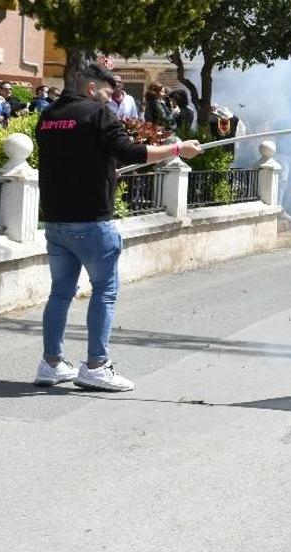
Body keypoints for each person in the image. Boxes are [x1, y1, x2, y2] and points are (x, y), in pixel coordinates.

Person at [34, 61, 202, 391]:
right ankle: (96, 366)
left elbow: (77, 157)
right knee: (105, 292)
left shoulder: (49, 115)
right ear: (92, 88)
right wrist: (179, 148)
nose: (112, 100)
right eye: (109, 93)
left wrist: (105, 167)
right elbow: (130, 150)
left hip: (55, 220)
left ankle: (50, 363)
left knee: (60, 294)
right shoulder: (98, 113)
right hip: (92, 221)